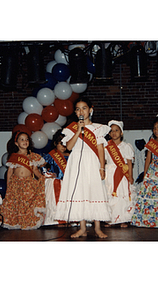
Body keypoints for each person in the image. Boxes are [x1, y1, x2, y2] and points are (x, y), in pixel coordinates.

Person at [54, 97, 111, 238]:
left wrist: (102, 168)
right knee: (79, 192)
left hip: (92, 162)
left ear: (90, 110)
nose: (81, 111)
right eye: (78, 109)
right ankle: (82, 228)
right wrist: (78, 131)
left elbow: (100, 148)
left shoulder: (98, 128)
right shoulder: (71, 128)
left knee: (95, 192)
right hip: (76, 162)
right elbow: (69, 147)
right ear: (75, 112)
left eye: (84, 108)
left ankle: (97, 227)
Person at [0, 130, 46, 230]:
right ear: (16, 143)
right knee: (17, 204)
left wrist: (43, 178)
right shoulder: (14, 156)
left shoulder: (33, 156)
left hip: (28, 183)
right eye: (22, 139)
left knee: (27, 204)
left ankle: (27, 222)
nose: (25, 141)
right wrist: (8, 186)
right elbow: (9, 172)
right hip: (15, 183)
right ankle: (17, 222)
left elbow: (35, 170)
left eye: (26, 139)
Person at [104, 120, 136, 228]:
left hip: (123, 175)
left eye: (116, 130)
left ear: (121, 133)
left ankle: (123, 219)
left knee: (122, 195)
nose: (114, 133)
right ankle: (110, 219)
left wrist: (130, 176)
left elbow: (130, 163)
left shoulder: (126, 146)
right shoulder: (106, 147)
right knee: (110, 195)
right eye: (112, 131)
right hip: (110, 175)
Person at [42, 129, 70, 226]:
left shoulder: (70, 155)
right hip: (56, 183)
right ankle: (57, 220)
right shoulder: (52, 155)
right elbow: (40, 165)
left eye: (65, 144)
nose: (63, 146)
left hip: (68, 183)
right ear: (55, 143)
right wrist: (47, 173)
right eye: (60, 143)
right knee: (56, 202)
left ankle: (68, 219)